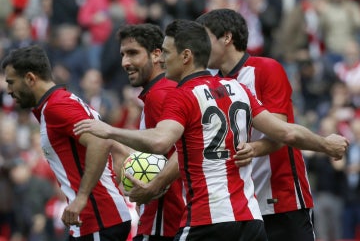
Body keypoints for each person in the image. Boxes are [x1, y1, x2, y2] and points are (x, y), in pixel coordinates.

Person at [73, 19, 349, 241]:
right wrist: (326, 145)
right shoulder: (238, 89)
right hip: (250, 220)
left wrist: (109, 131)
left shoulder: (183, 95)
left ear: (186, 57)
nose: (162, 60)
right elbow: (287, 133)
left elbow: (160, 141)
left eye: (166, 53)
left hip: (208, 219)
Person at [194, 8, 320, 241]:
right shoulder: (211, 85)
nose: (200, 47)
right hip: (239, 206)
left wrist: (254, 149)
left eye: (205, 38)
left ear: (227, 37)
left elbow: (282, 131)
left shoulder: (265, 68)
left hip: (282, 197)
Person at [1, 45, 132, 240]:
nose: (9, 90)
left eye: (11, 82)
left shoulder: (57, 106)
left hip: (99, 221)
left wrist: (82, 198)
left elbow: (100, 142)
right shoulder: (60, 102)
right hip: (94, 220)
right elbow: (109, 142)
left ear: (30, 78)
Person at [117, 23, 185, 240]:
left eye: (133, 53)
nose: (125, 62)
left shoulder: (160, 94)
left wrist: (152, 186)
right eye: (123, 55)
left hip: (164, 221)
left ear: (157, 55)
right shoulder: (161, 91)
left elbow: (181, 151)